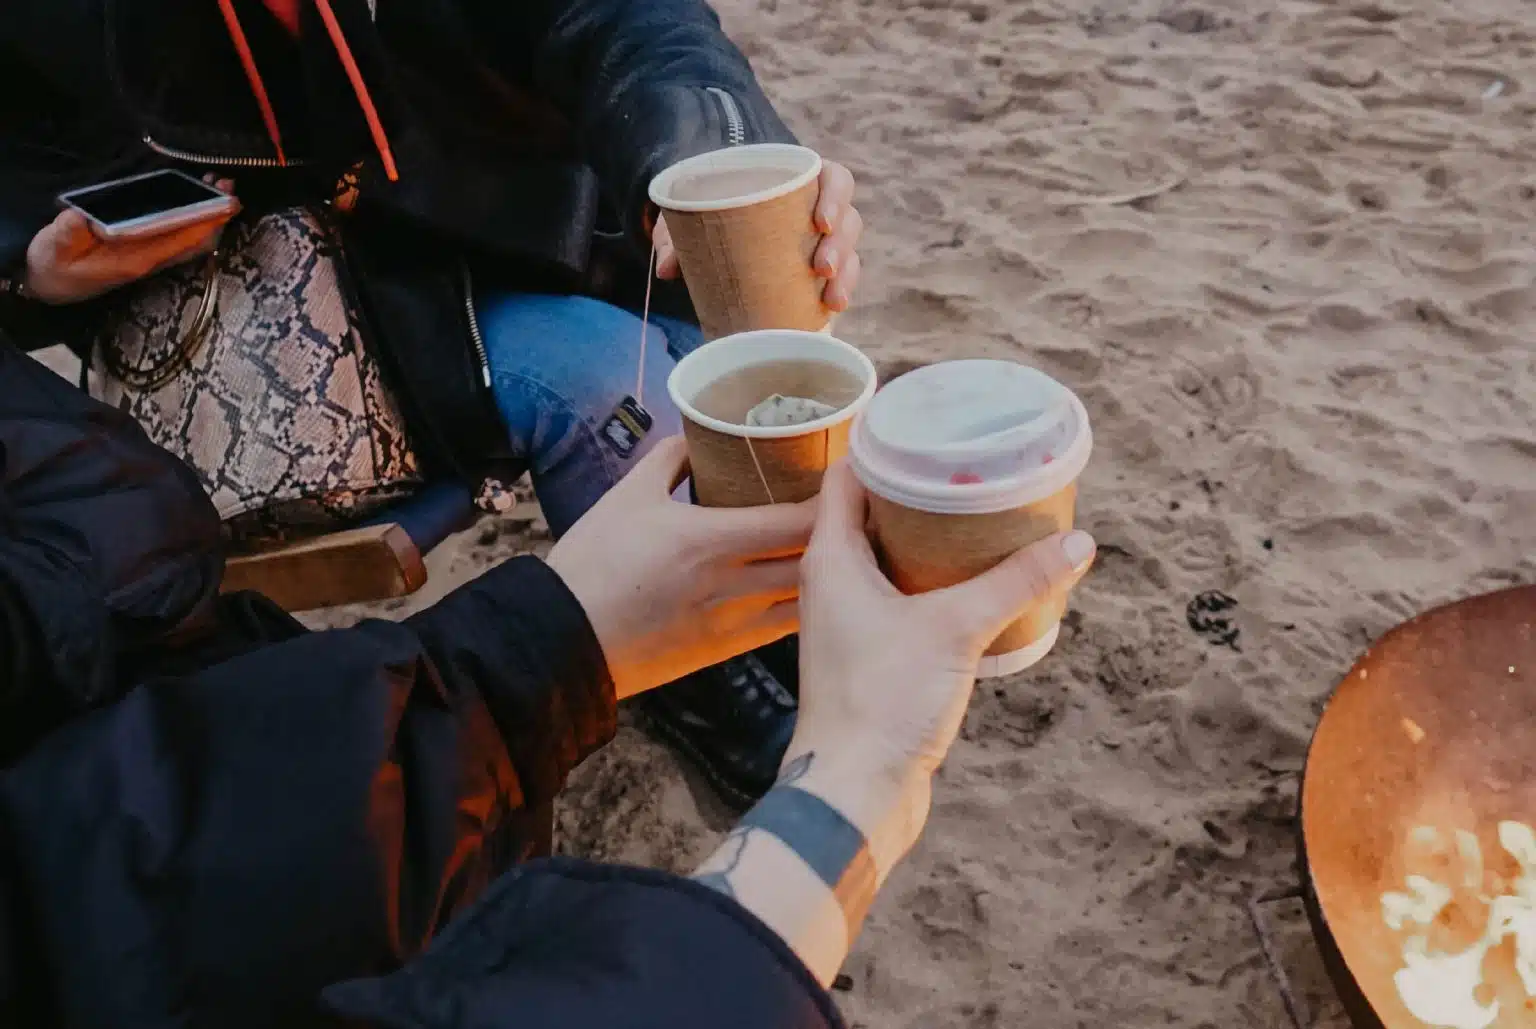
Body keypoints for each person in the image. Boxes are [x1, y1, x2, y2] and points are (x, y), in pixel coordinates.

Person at [0, 334, 1096, 1027]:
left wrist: (532, 653)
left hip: (257, 736)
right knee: (586, 381)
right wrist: (859, 779)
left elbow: (99, 839)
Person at [0, 0, 867, 807]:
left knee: (726, 348)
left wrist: (709, 144)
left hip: (521, 215)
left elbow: (629, 18)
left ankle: (775, 615)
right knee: (609, 393)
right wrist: (31, 270)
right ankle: (700, 685)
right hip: (299, 330)